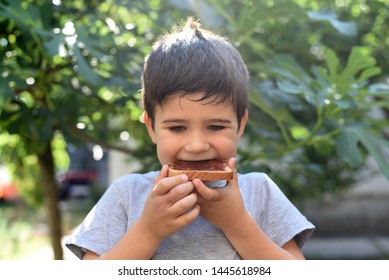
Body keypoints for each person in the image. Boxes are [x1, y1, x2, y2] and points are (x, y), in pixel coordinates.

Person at [66, 17, 315, 260]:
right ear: (152, 128)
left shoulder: (261, 192)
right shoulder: (126, 195)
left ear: (240, 126)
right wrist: (148, 231)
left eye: (216, 126)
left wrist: (237, 223)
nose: (196, 145)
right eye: (177, 128)